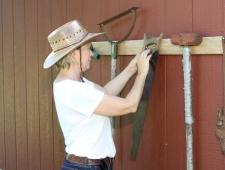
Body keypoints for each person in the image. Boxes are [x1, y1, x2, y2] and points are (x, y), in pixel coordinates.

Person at [43, 20, 151, 170]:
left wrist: (131, 68)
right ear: (74, 53)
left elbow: (105, 93)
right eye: (88, 49)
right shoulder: (74, 89)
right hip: (86, 167)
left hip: (88, 165)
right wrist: (142, 73)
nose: (91, 54)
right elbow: (130, 105)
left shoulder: (74, 82)